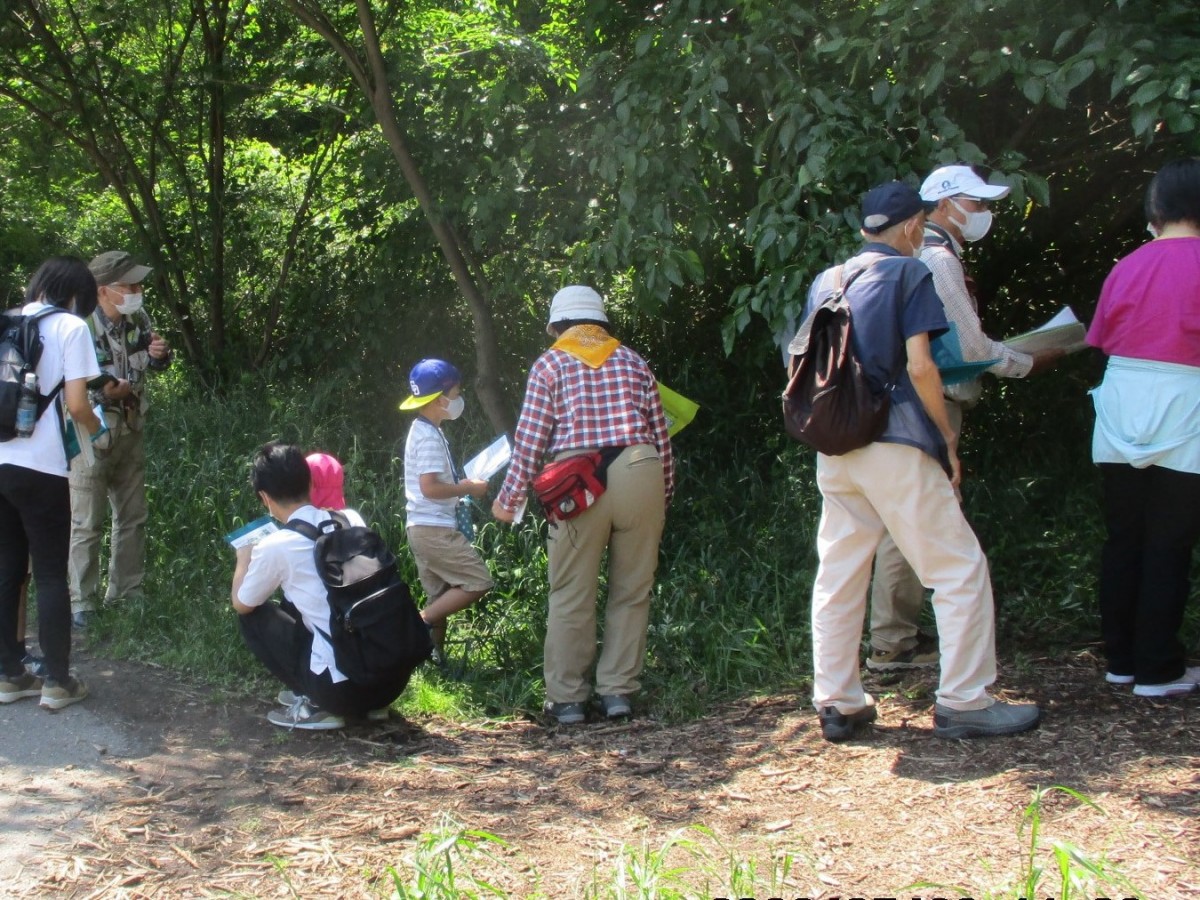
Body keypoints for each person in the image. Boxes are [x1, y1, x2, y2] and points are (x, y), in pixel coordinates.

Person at [794, 182, 1040, 742]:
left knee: (840, 572)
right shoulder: (910, 273)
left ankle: (839, 702)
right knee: (958, 568)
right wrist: (944, 440)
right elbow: (922, 366)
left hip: (836, 445)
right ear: (912, 227)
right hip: (896, 438)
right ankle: (966, 701)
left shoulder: (827, 279)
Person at [865, 165, 1063, 673]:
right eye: (975, 204)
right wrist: (1027, 361)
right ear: (944, 205)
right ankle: (909, 650)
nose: (983, 214)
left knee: (894, 522)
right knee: (925, 525)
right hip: (932, 402)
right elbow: (969, 345)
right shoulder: (938, 258)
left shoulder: (904, 257)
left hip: (893, 406)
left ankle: (893, 638)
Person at [491, 286, 674, 725]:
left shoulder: (550, 362)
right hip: (640, 468)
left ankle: (569, 699)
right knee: (633, 591)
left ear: (556, 326)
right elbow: (661, 437)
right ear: (601, 323)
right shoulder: (633, 361)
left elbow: (531, 443)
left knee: (572, 593)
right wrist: (663, 492)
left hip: (578, 481)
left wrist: (507, 500)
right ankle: (618, 694)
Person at [1086, 158, 1200, 698]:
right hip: (1185, 399)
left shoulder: (1127, 264)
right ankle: (1159, 667)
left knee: (1125, 535)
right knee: (1170, 539)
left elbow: (1102, 338)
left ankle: (1122, 658)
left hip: (1120, 398)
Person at [231, 442, 408, 729]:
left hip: (342, 692)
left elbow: (242, 603)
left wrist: (243, 559)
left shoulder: (276, 545)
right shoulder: (351, 519)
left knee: (251, 616)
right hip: (392, 677)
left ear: (265, 497)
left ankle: (317, 704)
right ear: (310, 482)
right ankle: (373, 705)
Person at [0, 256, 102, 709]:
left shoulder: (7, 321)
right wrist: (98, 430)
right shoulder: (71, 328)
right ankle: (58, 681)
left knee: (6, 569)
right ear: (76, 294)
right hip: (40, 467)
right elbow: (78, 403)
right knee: (49, 572)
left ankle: (8, 674)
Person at [68, 250, 172, 628]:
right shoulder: (78, 325)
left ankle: (127, 593)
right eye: (127, 285)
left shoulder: (137, 317)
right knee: (86, 521)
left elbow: (153, 360)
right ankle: (83, 601)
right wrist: (104, 394)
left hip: (131, 428)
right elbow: (70, 386)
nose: (136, 290)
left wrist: (161, 354)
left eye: (137, 283)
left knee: (132, 516)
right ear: (102, 291)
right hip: (91, 434)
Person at [399, 359, 492, 658]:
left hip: (423, 527)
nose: (459, 398)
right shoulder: (426, 436)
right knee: (477, 580)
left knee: (438, 596)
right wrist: (467, 487)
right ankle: (419, 623)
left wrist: (461, 485)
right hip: (433, 529)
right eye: (456, 392)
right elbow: (429, 488)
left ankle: (432, 658)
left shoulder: (426, 429)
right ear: (440, 400)